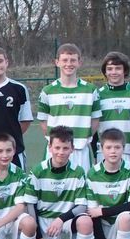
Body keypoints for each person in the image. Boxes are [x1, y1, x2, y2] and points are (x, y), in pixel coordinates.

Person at [25, 125, 97, 239]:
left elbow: (81, 207)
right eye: (57, 147)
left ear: (72, 149)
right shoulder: (37, 171)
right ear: (50, 147)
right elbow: (30, 207)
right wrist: (37, 238)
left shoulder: (78, 172)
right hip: (45, 222)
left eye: (65, 148)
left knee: (85, 221)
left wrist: (61, 219)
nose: (61, 152)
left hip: (67, 219)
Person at [36, 43, 100, 172]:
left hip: (80, 150)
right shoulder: (48, 91)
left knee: (81, 189)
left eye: (73, 60)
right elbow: (43, 122)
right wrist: (57, 143)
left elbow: (95, 120)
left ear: (79, 62)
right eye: (64, 60)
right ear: (57, 62)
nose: (68, 64)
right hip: (56, 151)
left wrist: (83, 139)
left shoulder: (90, 90)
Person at [94, 51, 130, 166]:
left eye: (118, 68)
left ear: (125, 71)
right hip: (105, 153)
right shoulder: (97, 95)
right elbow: (93, 128)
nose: (113, 72)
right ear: (105, 71)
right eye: (109, 69)